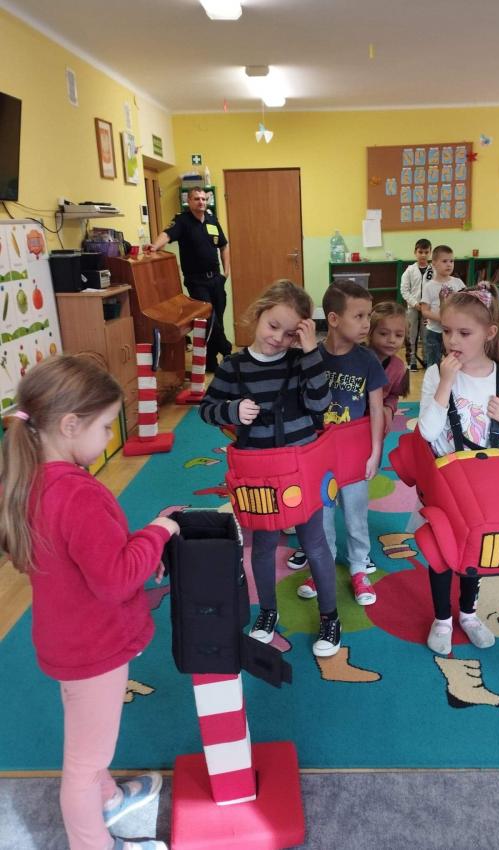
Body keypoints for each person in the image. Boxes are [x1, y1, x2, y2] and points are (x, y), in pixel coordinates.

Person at [0, 355, 180, 850]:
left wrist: (139, 550)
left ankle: (108, 797)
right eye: (104, 427)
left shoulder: (32, 480)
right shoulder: (77, 494)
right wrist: (159, 532)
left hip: (68, 638)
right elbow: (116, 580)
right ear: (69, 425)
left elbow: (87, 559)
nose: (107, 437)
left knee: (89, 738)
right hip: (93, 647)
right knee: (83, 762)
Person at [198, 280, 341, 657]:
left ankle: (330, 616)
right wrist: (231, 410)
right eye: (272, 325)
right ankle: (267, 611)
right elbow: (206, 409)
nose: (278, 338)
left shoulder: (301, 360)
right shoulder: (233, 367)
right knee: (262, 546)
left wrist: (309, 351)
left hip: (301, 468)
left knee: (314, 543)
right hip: (258, 472)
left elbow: (321, 405)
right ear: (258, 314)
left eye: (289, 333)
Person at [418, 283, 499, 655]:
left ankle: (468, 614)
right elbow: (427, 432)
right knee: (442, 550)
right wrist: (445, 383)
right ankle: (442, 619)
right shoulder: (436, 373)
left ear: (489, 333)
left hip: (488, 484)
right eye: (447, 331)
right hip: (447, 482)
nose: (452, 340)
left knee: (477, 549)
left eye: (464, 333)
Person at [296, 279, 386, 606]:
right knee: (320, 514)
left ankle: (359, 566)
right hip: (319, 454)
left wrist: (375, 452)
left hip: (354, 453)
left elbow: (376, 409)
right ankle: (324, 563)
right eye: (359, 316)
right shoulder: (312, 357)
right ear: (333, 319)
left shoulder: (368, 361)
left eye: (368, 316)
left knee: (355, 514)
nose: (366, 324)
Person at [147, 187, 231, 371]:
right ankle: (227, 349)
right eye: (196, 199)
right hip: (197, 281)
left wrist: (226, 273)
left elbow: (224, 246)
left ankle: (211, 363)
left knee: (217, 321)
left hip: (216, 279)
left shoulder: (212, 220)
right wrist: (154, 246)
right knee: (209, 319)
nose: (201, 202)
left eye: (203, 199)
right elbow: (167, 234)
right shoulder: (182, 221)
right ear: (189, 201)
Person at [420, 244, 465, 368]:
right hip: (434, 333)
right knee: (433, 366)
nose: (449, 264)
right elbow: (425, 311)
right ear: (434, 263)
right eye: (444, 261)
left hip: (454, 332)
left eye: (451, 261)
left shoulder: (458, 283)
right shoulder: (429, 286)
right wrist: (442, 319)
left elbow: (466, 305)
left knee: (456, 363)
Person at [368, 300, 410, 435]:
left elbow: (394, 394)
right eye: (383, 333)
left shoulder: (398, 367)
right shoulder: (356, 359)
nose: (392, 340)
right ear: (370, 332)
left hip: (375, 425)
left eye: (398, 335)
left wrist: (389, 408)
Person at [400, 238, 433, 371]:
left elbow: (435, 289)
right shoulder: (410, 270)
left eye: (426, 252)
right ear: (415, 252)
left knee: (426, 335)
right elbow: (404, 290)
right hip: (413, 309)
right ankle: (412, 361)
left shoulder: (433, 270)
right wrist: (414, 304)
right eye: (420, 252)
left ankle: (426, 359)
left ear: (430, 253)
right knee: (411, 336)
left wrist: (428, 304)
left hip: (428, 309)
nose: (423, 255)